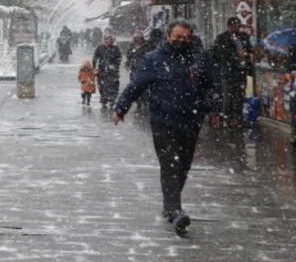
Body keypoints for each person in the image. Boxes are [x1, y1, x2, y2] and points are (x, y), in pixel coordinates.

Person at [113, 20, 220, 236]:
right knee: (171, 164)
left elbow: (213, 86)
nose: (180, 41)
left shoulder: (199, 59)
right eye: (176, 37)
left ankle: (170, 203)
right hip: (163, 121)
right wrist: (120, 108)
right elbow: (137, 85)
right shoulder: (154, 59)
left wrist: (215, 109)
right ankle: (175, 210)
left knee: (184, 166)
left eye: (185, 38)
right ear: (168, 36)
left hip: (191, 120)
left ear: (190, 38)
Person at [211, 17, 254, 128]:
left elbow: (249, 50)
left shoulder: (243, 36)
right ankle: (228, 119)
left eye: (238, 26)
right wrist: (236, 56)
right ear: (229, 26)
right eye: (235, 26)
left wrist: (248, 55)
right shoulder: (222, 38)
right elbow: (219, 55)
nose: (237, 28)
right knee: (228, 97)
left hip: (241, 71)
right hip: (228, 72)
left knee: (239, 96)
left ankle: (237, 118)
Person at [92, 33, 123, 108]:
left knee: (113, 85)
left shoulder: (115, 48)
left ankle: (112, 99)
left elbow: (119, 58)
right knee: (101, 86)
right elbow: (95, 57)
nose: (107, 41)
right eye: (106, 39)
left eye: (109, 39)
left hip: (113, 72)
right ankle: (104, 100)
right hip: (102, 70)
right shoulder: (100, 47)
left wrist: (115, 65)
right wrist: (94, 68)